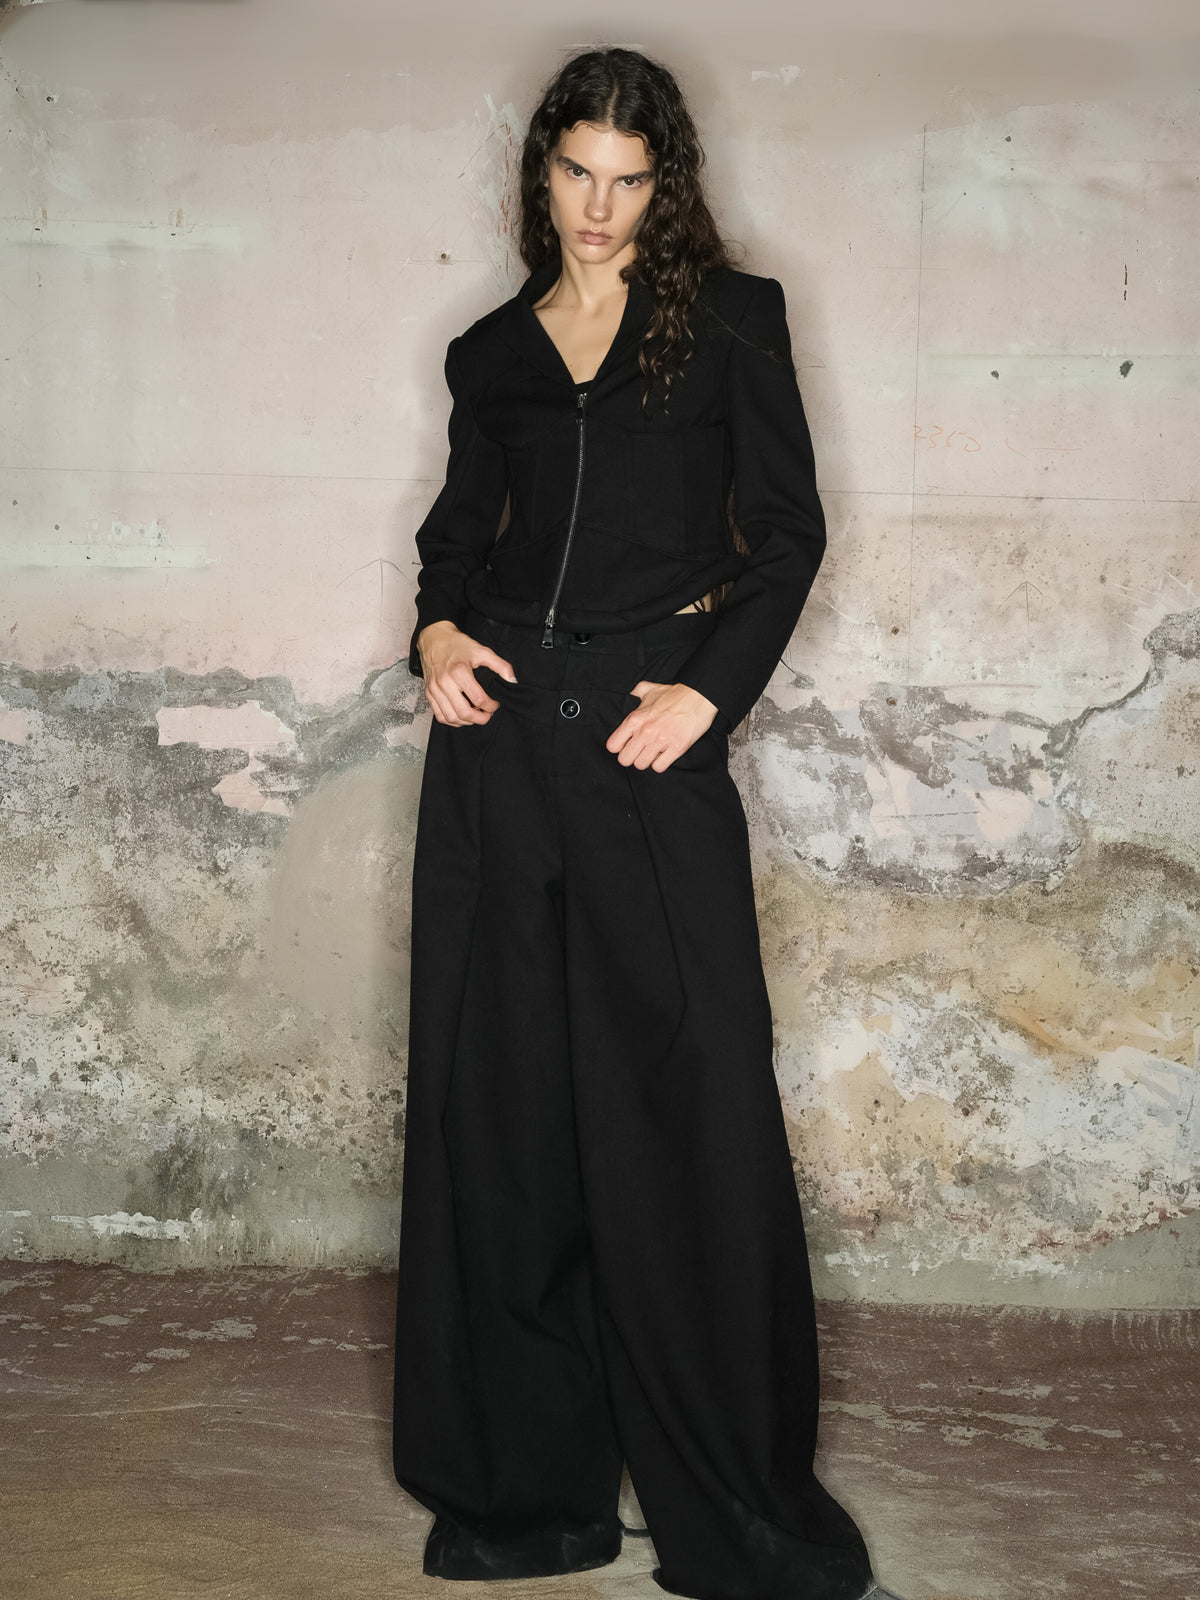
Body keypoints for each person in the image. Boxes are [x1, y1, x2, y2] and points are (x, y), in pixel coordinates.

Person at [392, 45, 901, 1600]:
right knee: (504, 1119)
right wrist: (434, 635)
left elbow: (788, 533)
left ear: (663, 183)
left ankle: (726, 1494)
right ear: (540, 172)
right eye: (576, 175)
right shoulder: (492, 352)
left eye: (628, 181)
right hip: (497, 761)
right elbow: (456, 540)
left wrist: (708, 696)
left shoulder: (730, 320)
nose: (599, 209)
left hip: (643, 750)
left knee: (686, 1109)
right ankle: (526, 1492)